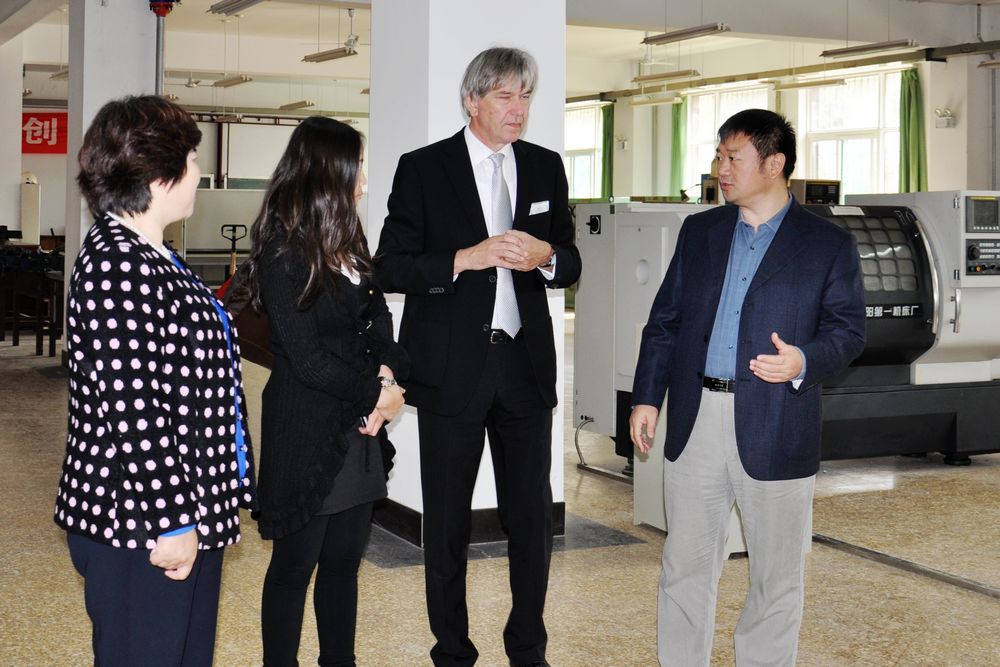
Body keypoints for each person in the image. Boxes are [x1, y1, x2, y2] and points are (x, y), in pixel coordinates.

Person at [628, 109, 866, 666]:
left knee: (776, 580)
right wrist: (646, 397)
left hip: (778, 420)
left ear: (775, 163)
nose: (722, 169)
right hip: (697, 419)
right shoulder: (701, 231)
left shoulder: (827, 244)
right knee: (684, 567)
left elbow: (849, 332)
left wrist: (803, 360)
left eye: (734, 157)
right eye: (719, 157)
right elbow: (665, 322)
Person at [375, 47, 581, 667]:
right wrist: (466, 258)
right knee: (446, 523)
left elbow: (571, 258)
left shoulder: (544, 166)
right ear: (472, 100)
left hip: (524, 368)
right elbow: (391, 266)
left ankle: (528, 648)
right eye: (504, 96)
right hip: (450, 370)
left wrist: (547, 257)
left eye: (525, 97)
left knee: (531, 519)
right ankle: (453, 650)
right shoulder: (423, 168)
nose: (518, 109)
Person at [53, 95, 257, 666]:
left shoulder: (153, 254)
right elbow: (134, 408)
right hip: (141, 522)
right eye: (190, 159)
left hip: (177, 511)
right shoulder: (117, 264)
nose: (198, 171)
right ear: (156, 173)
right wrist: (173, 521)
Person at [244, 116, 408, 667]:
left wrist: (387, 377)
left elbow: (378, 316)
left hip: (359, 429)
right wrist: (377, 397)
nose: (364, 181)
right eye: (356, 167)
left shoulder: (349, 238)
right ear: (326, 173)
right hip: (307, 429)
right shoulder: (282, 252)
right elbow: (308, 359)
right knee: (294, 568)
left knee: (343, 564)